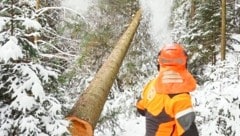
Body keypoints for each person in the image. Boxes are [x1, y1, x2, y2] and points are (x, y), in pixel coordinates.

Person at [136, 43, 199, 136]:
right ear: (184, 64)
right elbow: (189, 132)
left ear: (160, 64)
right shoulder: (180, 98)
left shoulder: (150, 85)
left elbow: (140, 109)